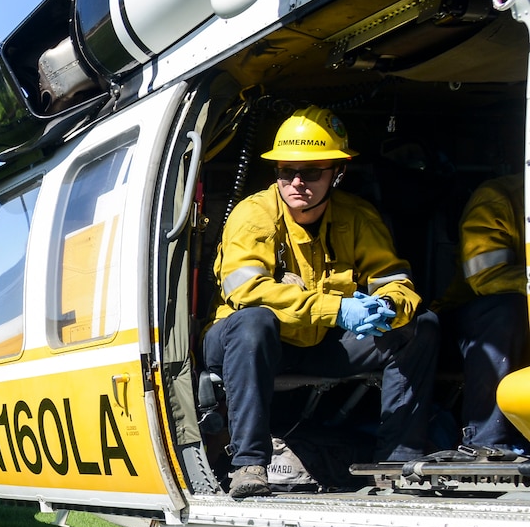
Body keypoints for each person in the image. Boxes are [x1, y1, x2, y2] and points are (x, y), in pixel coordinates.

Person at [203, 107, 437, 498]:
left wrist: (389, 307)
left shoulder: (357, 216)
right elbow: (247, 291)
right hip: (244, 345)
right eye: (285, 172)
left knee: (420, 327)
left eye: (311, 172)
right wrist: (339, 309)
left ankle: (399, 463)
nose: (297, 182)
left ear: (337, 174)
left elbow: (394, 278)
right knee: (255, 322)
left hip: (318, 342)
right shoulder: (253, 213)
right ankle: (248, 465)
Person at [435, 175, 527, 451]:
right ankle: (486, 441)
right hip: (471, 322)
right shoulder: (499, 198)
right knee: (507, 311)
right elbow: (484, 277)